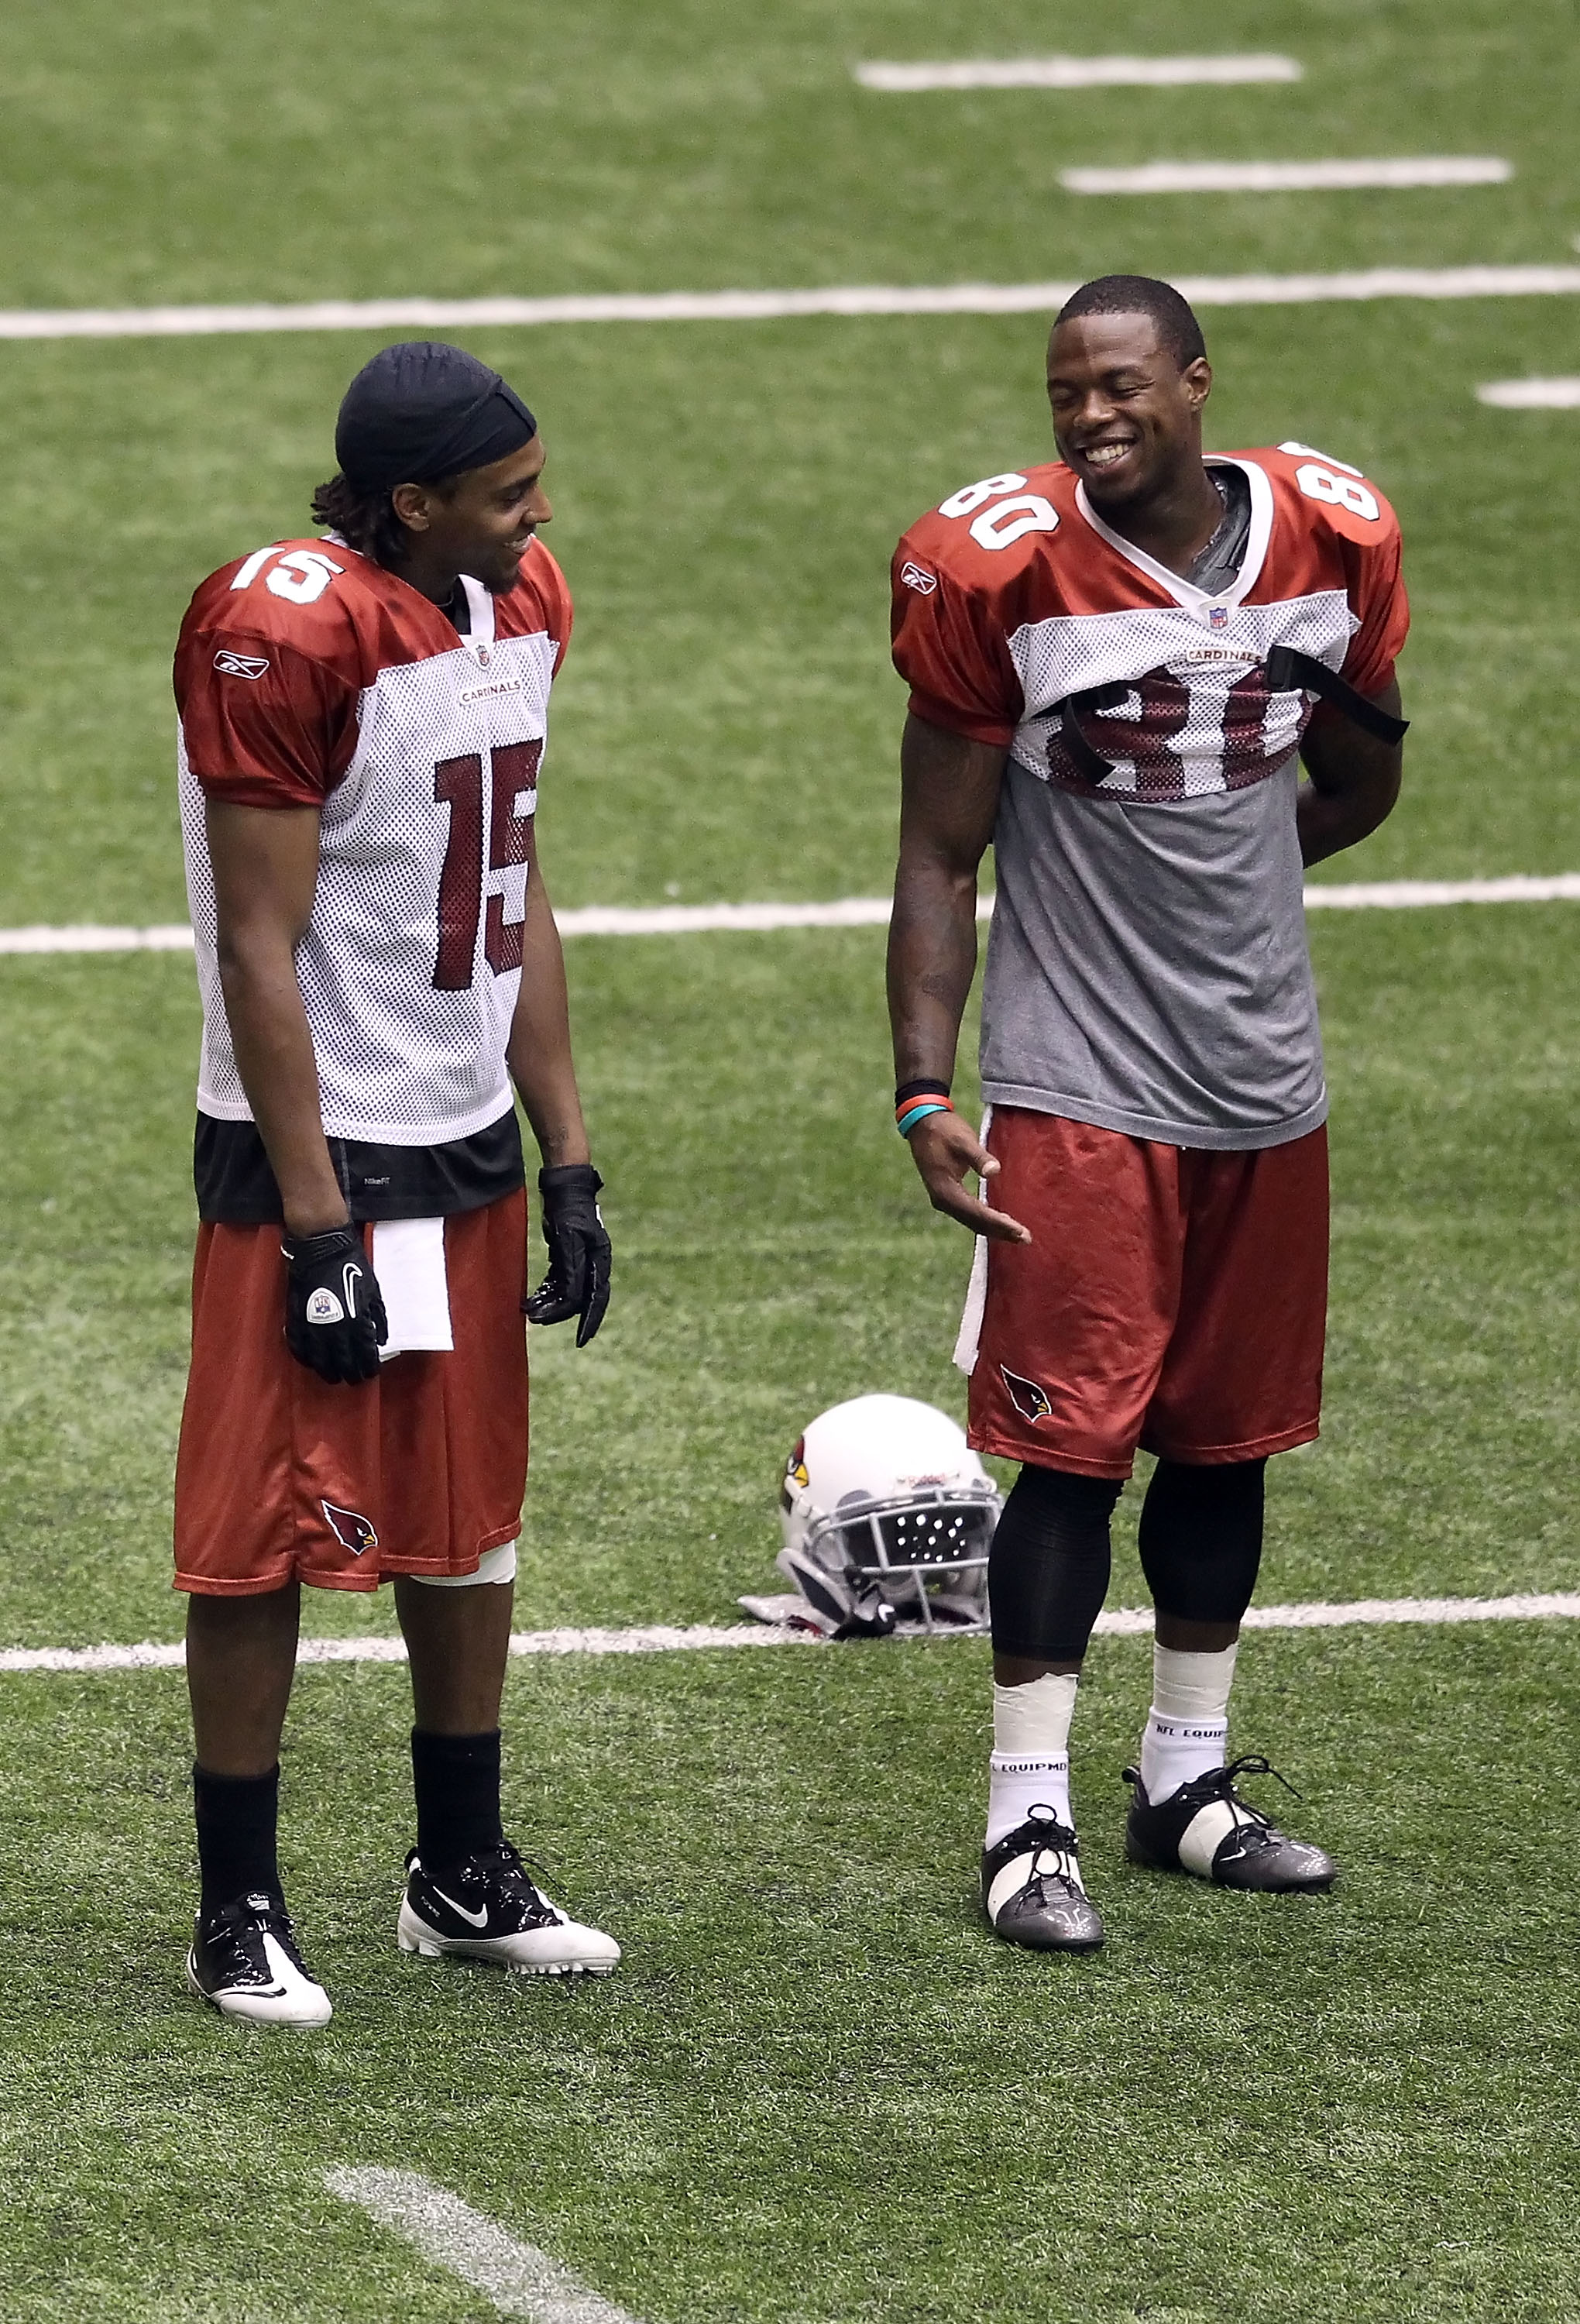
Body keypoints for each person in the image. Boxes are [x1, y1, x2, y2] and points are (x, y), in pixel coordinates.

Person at [886, 276, 1409, 1952]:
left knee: (1226, 1442)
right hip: (1080, 1081)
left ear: (1195, 383)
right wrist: (924, 1084)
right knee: (1064, 1453)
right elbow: (937, 855)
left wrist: (1229, 884)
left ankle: (1185, 1781)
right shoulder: (996, 567)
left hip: (1264, 1075)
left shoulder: (1334, 536)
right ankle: (1023, 1820)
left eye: (1119, 387)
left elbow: (1370, 770)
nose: (1088, 417)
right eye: (1064, 396)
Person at [171, 341, 620, 2023]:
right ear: (413, 504)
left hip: (461, 1142)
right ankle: (239, 1906)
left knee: (463, 1521)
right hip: (318, 1153)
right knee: (257, 1536)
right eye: (509, 493)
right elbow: (259, 945)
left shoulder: (522, 598)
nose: (540, 511)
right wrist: (313, 1223)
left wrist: (565, 1150)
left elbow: (513, 882)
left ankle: (459, 1872)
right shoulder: (287, 629)